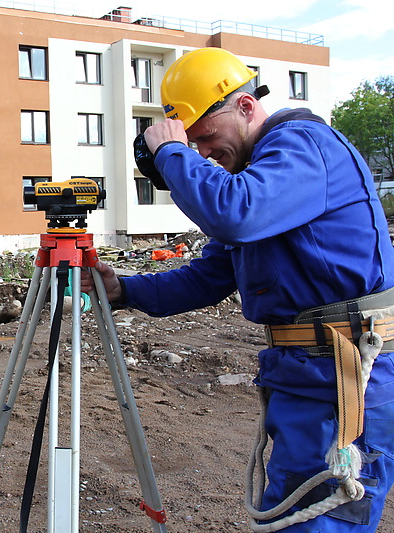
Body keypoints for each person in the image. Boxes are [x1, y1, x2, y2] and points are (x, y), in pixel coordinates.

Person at [83, 47, 394, 532]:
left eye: (204, 138)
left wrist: (170, 152)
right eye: (194, 145)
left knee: (322, 522)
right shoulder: (262, 182)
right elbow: (210, 276)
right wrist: (123, 289)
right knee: (292, 515)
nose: (203, 153)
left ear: (245, 107)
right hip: (306, 381)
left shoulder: (304, 147)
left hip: (345, 381)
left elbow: (233, 212)